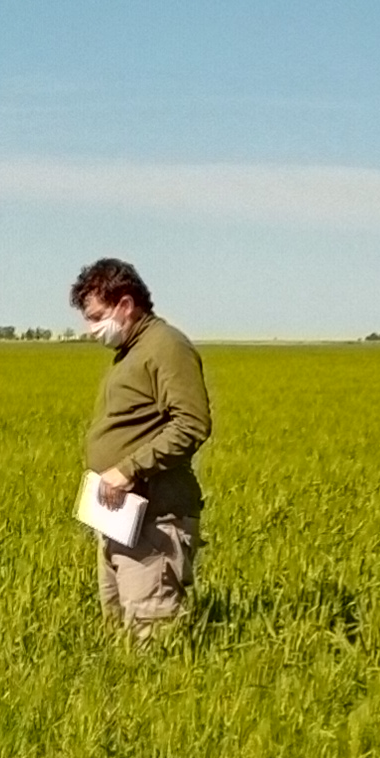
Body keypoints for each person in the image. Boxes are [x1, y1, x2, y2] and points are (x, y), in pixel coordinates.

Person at [71, 257, 212, 633]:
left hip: (155, 520)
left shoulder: (166, 346)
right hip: (120, 518)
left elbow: (191, 423)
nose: (91, 329)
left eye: (97, 316)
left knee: (152, 634)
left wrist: (128, 469)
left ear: (126, 305)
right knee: (118, 631)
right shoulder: (131, 352)